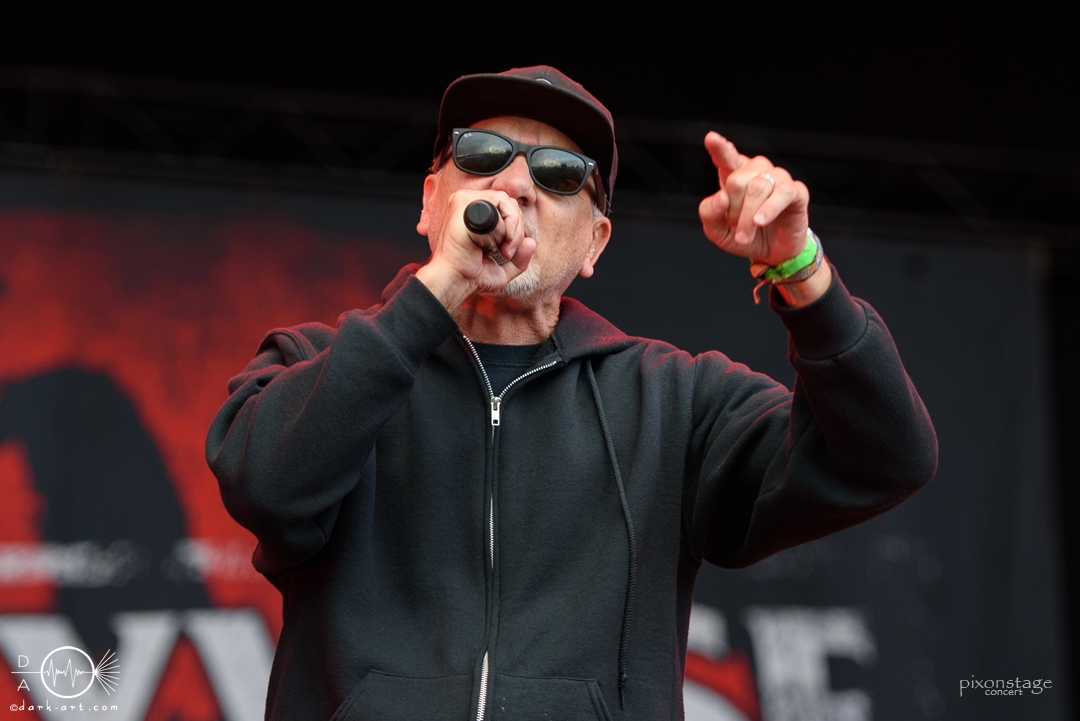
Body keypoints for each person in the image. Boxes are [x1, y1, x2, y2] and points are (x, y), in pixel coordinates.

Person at [206, 66, 937, 721]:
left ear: (595, 243)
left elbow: (886, 455)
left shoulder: (672, 401)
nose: (514, 185)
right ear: (431, 203)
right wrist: (438, 291)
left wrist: (801, 271)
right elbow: (267, 486)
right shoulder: (316, 361)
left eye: (559, 173)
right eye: (481, 155)